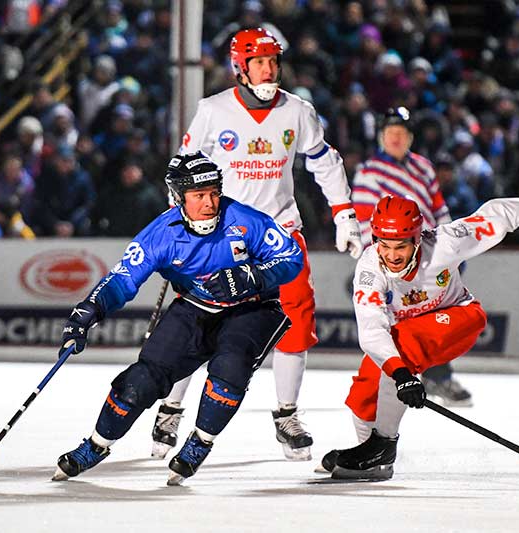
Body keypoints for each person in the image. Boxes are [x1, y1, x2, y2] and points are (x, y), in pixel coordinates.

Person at [150, 27, 362, 462]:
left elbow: (325, 162)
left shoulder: (298, 111)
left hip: (280, 233)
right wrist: (180, 217)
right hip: (219, 232)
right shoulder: (212, 110)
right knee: (196, 322)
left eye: (273, 61)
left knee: (296, 321)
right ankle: (172, 408)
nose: (268, 70)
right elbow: (182, 167)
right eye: (259, 62)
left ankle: (286, 415)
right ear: (239, 68)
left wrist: (344, 213)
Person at [52, 152, 303, 485]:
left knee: (229, 369)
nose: (210, 203)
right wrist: (88, 312)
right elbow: (123, 279)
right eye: (199, 196)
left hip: (252, 308)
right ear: (179, 198)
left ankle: (199, 443)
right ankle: (96, 446)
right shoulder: (160, 234)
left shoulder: (244, 219)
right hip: (197, 306)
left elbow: (291, 257)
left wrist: (251, 275)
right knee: (139, 381)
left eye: (214, 192)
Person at [319, 195, 519, 480]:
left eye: (401, 246)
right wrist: (401, 374)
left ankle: (384, 445)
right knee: (368, 384)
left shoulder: (445, 243)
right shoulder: (369, 270)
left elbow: (498, 214)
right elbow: (371, 330)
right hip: (409, 335)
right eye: (385, 245)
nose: (391, 256)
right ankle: (372, 457)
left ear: (416, 240)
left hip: (459, 319)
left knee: (399, 349)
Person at [351, 106, 472, 407]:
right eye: (390, 133)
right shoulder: (369, 171)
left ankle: (439, 377)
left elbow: (440, 210)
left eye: (401, 133)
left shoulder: (424, 168)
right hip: (396, 262)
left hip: (429, 256)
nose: (395, 138)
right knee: (398, 325)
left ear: (410, 137)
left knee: (435, 320)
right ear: (381, 136)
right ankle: (394, 380)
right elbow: (366, 221)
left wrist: (452, 251)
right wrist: (385, 261)